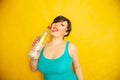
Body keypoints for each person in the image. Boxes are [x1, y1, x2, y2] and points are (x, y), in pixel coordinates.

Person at [30, 16, 83, 80]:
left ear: (66, 32)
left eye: (62, 25)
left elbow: (77, 67)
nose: (56, 24)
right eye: (55, 22)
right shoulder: (42, 46)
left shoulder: (71, 47)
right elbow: (33, 69)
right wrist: (35, 50)